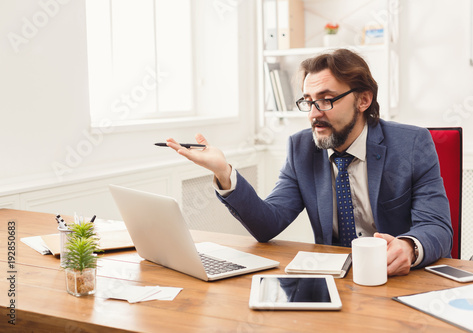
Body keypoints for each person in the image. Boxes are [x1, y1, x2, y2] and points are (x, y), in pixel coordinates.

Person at [166, 48, 453, 276]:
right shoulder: (301, 148)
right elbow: (268, 223)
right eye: (308, 101)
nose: (314, 113)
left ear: (363, 99)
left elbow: (437, 227)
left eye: (326, 100)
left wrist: (409, 247)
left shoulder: (412, 144)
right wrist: (224, 173)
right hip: (336, 281)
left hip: (401, 279)